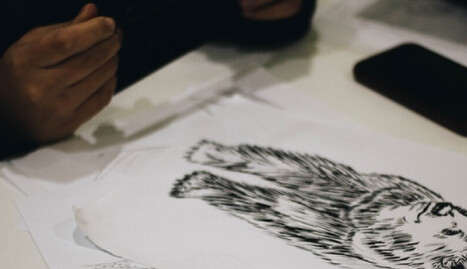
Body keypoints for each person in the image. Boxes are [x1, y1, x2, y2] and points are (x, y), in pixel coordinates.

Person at [0, 0, 316, 156]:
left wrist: (282, 11)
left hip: (192, 107)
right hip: (40, 172)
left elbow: (217, 16)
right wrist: (7, 114)